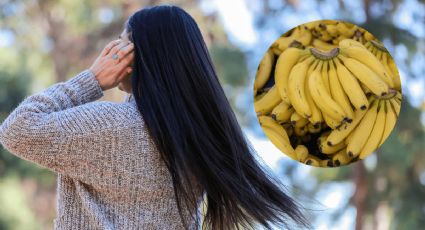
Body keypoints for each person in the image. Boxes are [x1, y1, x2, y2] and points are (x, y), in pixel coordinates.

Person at [0, 5, 309, 230]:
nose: (115, 52)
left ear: (139, 55)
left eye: (123, 44)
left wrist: (92, 79)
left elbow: (17, 130)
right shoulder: (195, 141)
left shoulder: (111, 127)